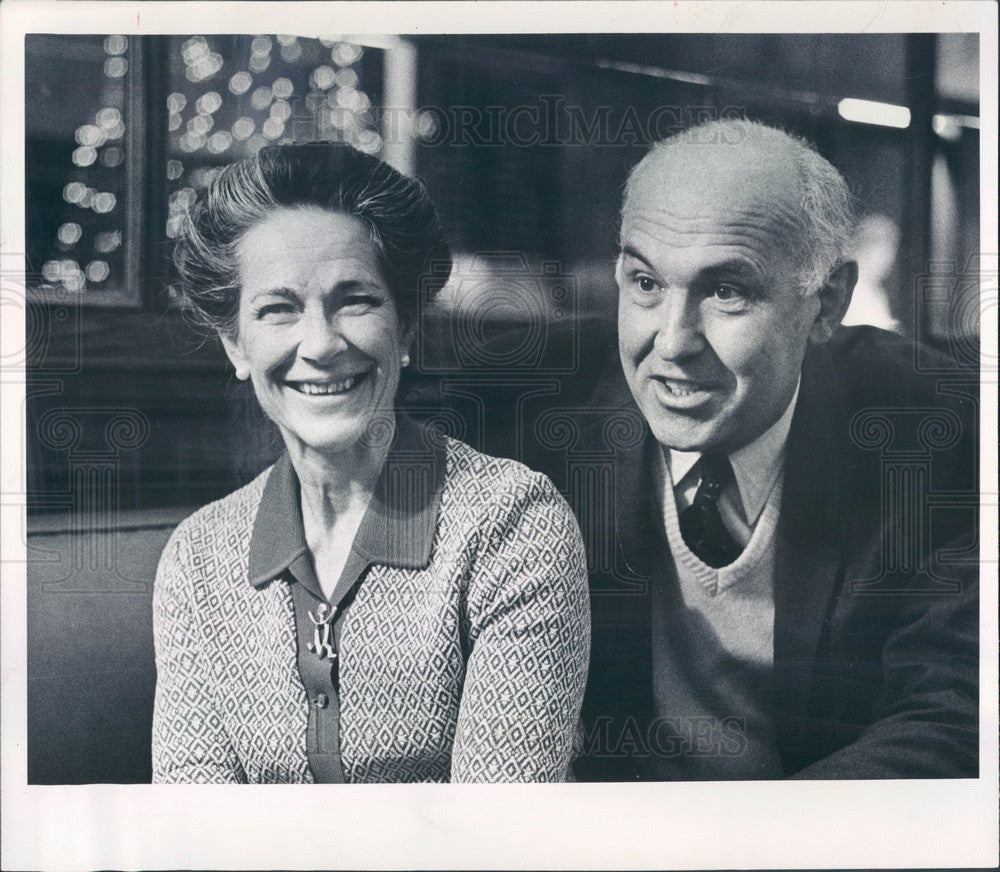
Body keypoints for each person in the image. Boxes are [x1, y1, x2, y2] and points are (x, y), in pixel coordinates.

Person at [152, 142, 590, 783]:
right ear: (235, 344)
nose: (322, 344)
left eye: (355, 300)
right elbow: (193, 834)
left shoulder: (514, 525)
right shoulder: (196, 559)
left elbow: (502, 840)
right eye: (278, 309)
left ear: (406, 328)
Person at [570, 119, 978, 780]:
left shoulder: (934, 430)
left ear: (827, 303)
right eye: (646, 284)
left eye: (727, 291)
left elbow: (955, 716)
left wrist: (754, 843)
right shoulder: (554, 426)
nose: (671, 342)